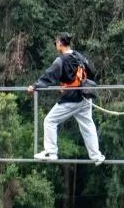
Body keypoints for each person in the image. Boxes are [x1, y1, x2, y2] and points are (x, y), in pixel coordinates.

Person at [28, 32, 105, 165]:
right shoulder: (79, 56)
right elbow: (90, 72)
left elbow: (49, 75)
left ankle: (51, 152)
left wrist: (35, 86)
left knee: (49, 121)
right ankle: (96, 156)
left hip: (72, 98)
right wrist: (68, 85)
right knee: (88, 125)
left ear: (59, 43)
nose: (55, 45)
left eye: (55, 43)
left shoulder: (61, 60)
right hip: (85, 97)